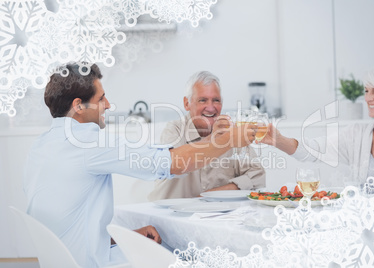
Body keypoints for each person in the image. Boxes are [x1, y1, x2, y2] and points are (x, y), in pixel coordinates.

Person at [23, 63, 256, 268]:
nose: (109, 105)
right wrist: (228, 140)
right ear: (79, 106)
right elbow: (172, 163)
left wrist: (126, 236)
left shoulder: (41, 146)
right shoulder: (91, 142)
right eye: (101, 98)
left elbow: (69, 227)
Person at [259, 62, 374, 188]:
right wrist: (279, 141)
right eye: (366, 91)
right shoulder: (356, 135)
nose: (368, 98)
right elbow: (313, 150)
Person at [148, 71, 265, 200]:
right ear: (187, 103)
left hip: (216, 216)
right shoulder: (174, 130)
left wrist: (214, 194)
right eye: (202, 100)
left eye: (216, 100)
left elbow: (258, 176)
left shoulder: (231, 132)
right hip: (171, 215)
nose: (210, 108)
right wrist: (216, 140)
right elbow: (179, 165)